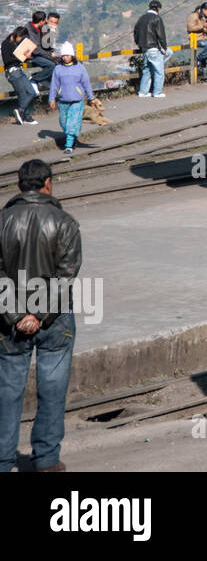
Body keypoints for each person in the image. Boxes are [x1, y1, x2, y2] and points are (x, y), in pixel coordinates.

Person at [0, 159, 81, 472]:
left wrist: (17, 315)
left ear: (20, 185)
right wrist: (38, 314)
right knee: (52, 389)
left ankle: (4, 461)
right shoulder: (65, 222)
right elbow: (66, 275)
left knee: (7, 392)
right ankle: (46, 460)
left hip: (8, 323)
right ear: (47, 183)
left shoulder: (2, 220)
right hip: (55, 319)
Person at [48, 43, 100, 156]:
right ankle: (73, 135)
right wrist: (51, 99)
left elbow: (86, 84)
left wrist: (91, 97)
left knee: (71, 124)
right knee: (64, 123)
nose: (64, 57)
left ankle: (69, 145)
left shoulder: (80, 68)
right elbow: (54, 85)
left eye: (67, 55)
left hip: (77, 101)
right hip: (63, 101)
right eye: (63, 55)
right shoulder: (58, 69)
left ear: (72, 55)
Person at [3, 27, 39, 125]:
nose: (21, 41)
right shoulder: (6, 44)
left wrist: (26, 57)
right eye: (21, 38)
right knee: (24, 94)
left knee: (30, 92)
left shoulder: (16, 44)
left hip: (19, 70)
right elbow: (8, 61)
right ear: (18, 35)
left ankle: (24, 115)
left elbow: (19, 59)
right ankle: (23, 113)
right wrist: (21, 56)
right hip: (12, 72)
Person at [133, 0, 168, 99]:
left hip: (144, 48)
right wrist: (164, 47)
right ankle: (157, 92)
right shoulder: (157, 18)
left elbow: (135, 32)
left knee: (147, 70)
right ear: (158, 9)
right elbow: (161, 34)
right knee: (159, 71)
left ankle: (143, 92)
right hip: (153, 48)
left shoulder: (141, 18)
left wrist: (139, 44)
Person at [23, 11, 55, 94]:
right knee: (51, 65)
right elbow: (35, 49)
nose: (45, 22)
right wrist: (49, 55)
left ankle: (46, 82)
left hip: (40, 53)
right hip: (32, 56)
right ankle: (34, 78)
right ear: (41, 21)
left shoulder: (41, 29)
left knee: (57, 63)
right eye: (44, 21)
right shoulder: (28, 30)